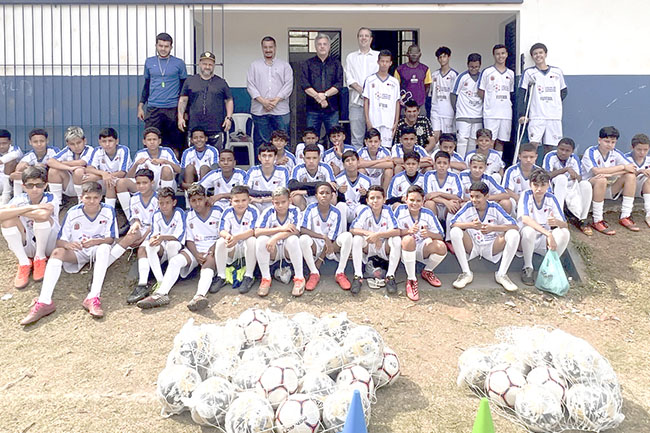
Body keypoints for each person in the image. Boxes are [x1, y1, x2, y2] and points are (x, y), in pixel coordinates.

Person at [20, 181, 117, 325]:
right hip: (77, 251)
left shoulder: (108, 210)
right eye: (88, 197)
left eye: (95, 198)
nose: (91, 201)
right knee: (57, 252)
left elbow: (110, 239)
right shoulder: (73, 212)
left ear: (101, 198)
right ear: (81, 197)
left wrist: (94, 242)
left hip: (97, 249)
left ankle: (93, 297)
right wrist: (68, 244)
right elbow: (60, 241)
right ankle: (44, 301)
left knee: (104, 248)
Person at [137, 183, 221, 311]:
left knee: (207, 267)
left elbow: (223, 232)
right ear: (189, 202)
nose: (197, 203)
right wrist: (196, 254)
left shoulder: (217, 211)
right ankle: (161, 294)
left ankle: (199, 296)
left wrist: (214, 248)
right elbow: (189, 239)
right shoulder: (189, 216)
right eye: (193, 201)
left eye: (200, 199)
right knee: (175, 261)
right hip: (195, 249)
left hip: (212, 249)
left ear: (205, 198)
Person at [449, 181, 520, 292]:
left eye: (478, 197)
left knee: (513, 234)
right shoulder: (468, 206)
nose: (474, 200)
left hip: (492, 245)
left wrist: (493, 228)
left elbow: (514, 226)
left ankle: (502, 274)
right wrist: (471, 225)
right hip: (473, 245)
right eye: (471, 196)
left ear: (487, 196)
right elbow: (453, 223)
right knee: (455, 231)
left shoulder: (495, 207)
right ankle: (466, 273)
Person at [0, 166, 59, 289]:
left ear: (45, 185)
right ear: (23, 186)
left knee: (41, 219)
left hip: (48, 243)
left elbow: (43, 215)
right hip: (27, 242)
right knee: (7, 220)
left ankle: (40, 258)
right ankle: (24, 262)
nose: (34, 189)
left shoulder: (51, 197)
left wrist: (16, 211)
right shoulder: (18, 199)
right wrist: (30, 208)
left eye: (38, 185)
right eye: (30, 185)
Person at [128, 187, 185, 304]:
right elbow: (154, 234)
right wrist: (154, 240)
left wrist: (162, 237)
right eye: (161, 203)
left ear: (174, 202)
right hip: (163, 245)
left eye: (167, 203)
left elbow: (179, 236)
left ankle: (174, 274)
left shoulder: (179, 213)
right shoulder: (156, 215)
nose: (164, 206)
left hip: (175, 247)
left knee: (172, 245)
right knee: (150, 246)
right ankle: (160, 280)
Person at [109, 169, 158, 298]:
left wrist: (143, 236)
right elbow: (136, 217)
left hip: (155, 231)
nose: (141, 186)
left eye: (145, 183)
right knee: (129, 236)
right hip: (142, 227)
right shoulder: (135, 198)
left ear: (152, 183)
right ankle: (103, 267)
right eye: (138, 183)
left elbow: (157, 222)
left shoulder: (158, 198)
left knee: (142, 250)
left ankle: (142, 284)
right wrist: (136, 223)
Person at [581, 126, 638, 234]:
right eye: (606, 141)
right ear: (599, 140)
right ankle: (597, 220)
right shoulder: (591, 151)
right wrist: (621, 168)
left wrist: (611, 173)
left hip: (607, 186)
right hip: (589, 188)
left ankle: (625, 216)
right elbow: (597, 171)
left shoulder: (615, 152)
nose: (610, 145)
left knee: (630, 175)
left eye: (613, 142)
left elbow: (632, 168)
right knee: (601, 179)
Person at [138, 32, 187, 156]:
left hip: (172, 108)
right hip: (153, 108)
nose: (163, 49)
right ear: (156, 46)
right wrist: (140, 106)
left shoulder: (179, 63)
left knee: (176, 143)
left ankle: (176, 172)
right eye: (161, 46)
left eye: (166, 46)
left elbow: (184, 88)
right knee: (151, 141)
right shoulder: (149, 62)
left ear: (171, 47)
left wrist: (184, 111)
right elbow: (147, 85)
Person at [518, 169, 570, 285]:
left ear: (548, 185)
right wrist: (548, 233)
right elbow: (525, 219)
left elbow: (565, 224)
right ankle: (528, 268)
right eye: (535, 185)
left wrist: (556, 222)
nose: (539, 189)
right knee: (528, 231)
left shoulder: (551, 198)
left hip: (544, 239)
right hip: (526, 239)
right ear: (530, 184)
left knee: (564, 233)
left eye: (543, 185)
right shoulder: (526, 195)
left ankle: (549, 268)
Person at [395, 185, 447, 301]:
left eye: (418, 200)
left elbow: (441, 235)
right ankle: (411, 279)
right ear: (406, 199)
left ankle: (427, 271)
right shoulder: (400, 210)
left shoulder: (428, 213)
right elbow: (391, 231)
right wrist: (407, 231)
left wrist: (429, 234)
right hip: (405, 248)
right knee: (409, 239)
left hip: (422, 247)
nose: (415, 203)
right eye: (412, 200)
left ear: (423, 202)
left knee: (441, 247)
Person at [299, 182, 353, 291]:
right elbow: (302, 229)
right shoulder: (310, 209)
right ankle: (314, 273)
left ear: (332, 196)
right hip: (315, 242)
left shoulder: (336, 212)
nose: (324, 195)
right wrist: (323, 236)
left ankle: (340, 273)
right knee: (303, 239)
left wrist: (320, 259)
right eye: (321, 193)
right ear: (316, 196)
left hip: (330, 246)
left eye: (327, 193)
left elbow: (331, 239)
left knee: (347, 236)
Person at [117, 127, 180, 220]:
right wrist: (136, 164)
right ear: (144, 142)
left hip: (164, 186)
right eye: (149, 140)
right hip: (145, 186)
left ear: (159, 141)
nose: (152, 142)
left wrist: (165, 161)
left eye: (154, 139)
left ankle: (165, 206)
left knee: (166, 169)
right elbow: (129, 176)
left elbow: (179, 170)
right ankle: (130, 218)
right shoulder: (140, 154)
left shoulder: (167, 151)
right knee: (121, 183)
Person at [349, 185, 401, 294]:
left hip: (383, 246)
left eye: (378, 198)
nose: (375, 201)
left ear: (384, 200)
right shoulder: (365, 211)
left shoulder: (387, 211)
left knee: (396, 240)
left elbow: (397, 231)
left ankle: (390, 276)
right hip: (369, 245)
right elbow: (352, 229)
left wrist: (378, 235)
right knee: (357, 239)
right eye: (372, 198)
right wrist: (371, 234)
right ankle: (358, 276)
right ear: (367, 200)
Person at [247, 36, 293, 156]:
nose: (268, 50)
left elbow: (288, 85)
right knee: (262, 142)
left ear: (275, 48)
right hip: (260, 111)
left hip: (281, 110)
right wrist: (263, 102)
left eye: (270, 47)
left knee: (283, 141)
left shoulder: (285, 65)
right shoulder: (254, 66)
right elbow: (250, 86)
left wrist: (275, 101)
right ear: (262, 48)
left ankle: (284, 167)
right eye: (265, 47)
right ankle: (260, 169)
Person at [255, 187, 305, 297]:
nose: (280, 205)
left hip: (287, 249)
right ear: (272, 202)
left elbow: (295, 231)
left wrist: (274, 238)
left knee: (293, 239)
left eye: (283, 202)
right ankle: (266, 279)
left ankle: (299, 278)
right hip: (273, 250)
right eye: (277, 203)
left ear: (290, 201)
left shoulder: (294, 211)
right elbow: (257, 231)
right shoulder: (268, 211)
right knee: (261, 240)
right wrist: (281, 229)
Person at [518, 43, 567, 153]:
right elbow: (522, 94)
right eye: (535, 54)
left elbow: (564, 91)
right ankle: (532, 169)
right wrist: (521, 114)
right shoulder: (529, 73)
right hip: (537, 115)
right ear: (532, 56)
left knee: (550, 147)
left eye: (540, 53)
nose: (538, 56)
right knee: (533, 145)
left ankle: (547, 169)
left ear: (545, 54)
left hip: (553, 115)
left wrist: (554, 102)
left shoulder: (557, 72)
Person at [178, 51, 233, 149]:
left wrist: (228, 118)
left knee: (216, 158)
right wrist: (180, 117)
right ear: (199, 64)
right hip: (195, 127)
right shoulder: (190, 81)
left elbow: (229, 100)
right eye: (204, 64)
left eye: (210, 64)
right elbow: (183, 100)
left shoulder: (221, 82)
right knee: (193, 158)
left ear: (214, 66)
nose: (207, 67)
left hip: (215, 128)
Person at [212, 185, 258, 294]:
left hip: (247, 247)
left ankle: (249, 276)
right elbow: (222, 230)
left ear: (249, 200)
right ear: (230, 201)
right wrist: (228, 236)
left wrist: (237, 237)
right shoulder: (227, 211)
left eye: (243, 200)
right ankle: (221, 276)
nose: (240, 204)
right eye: (236, 201)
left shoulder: (253, 211)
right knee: (220, 242)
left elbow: (253, 231)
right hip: (233, 246)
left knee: (252, 240)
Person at [543, 137, 593, 234]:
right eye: (561, 149)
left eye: (567, 151)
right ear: (557, 148)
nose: (563, 153)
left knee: (586, 184)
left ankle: (582, 219)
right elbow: (546, 175)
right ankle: (559, 217)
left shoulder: (574, 158)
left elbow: (579, 178)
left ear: (572, 151)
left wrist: (574, 175)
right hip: (554, 186)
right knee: (561, 178)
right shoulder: (550, 156)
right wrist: (565, 170)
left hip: (570, 186)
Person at [301, 34, 343, 138]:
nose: (322, 46)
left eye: (325, 44)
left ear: (329, 46)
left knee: (335, 138)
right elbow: (305, 84)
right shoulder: (307, 64)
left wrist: (325, 95)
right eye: (319, 44)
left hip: (332, 109)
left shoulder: (336, 64)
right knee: (311, 138)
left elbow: (339, 84)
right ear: (315, 46)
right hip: (312, 109)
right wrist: (318, 98)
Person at [345, 27, 379, 149]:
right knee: (356, 138)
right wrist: (361, 90)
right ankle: (358, 166)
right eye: (361, 36)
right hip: (356, 102)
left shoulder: (378, 56)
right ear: (358, 38)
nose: (363, 38)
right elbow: (348, 77)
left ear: (371, 39)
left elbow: (379, 77)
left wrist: (368, 93)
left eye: (366, 36)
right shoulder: (351, 57)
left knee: (374, 136)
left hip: (375, 104)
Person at [478, 44, 515, 155]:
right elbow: (481, 91)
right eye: (498, 54)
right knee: (489, 141)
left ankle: (497, 161)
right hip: (491, 113)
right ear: (494, 55)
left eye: (503, 53)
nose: (500, 56)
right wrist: (490, 101)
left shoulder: (511, 73)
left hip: (505, 113)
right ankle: (487, 162)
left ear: (507, 54)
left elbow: (511, 92)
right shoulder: (487, 72)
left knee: (501, 141)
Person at [86, 127, 131, 210]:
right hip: (107, 181)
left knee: (110, 181)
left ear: (116, 141)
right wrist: (104, 174)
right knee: (88, 177)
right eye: (104, 141)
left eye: (110, 141)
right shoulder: (97, 150)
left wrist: (101, 176)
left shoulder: (123, 150)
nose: (107, 144)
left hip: (122, 184)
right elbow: (89, 168)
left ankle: (129, 216)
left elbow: (122, 173)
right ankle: (86, 205)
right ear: (100, 142)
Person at [363, 50, 401, 148]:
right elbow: (366, 101)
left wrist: (396, 122)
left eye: (387, 61)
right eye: (382, 61)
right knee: (373, 147)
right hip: (374, 121)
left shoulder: (394, 82)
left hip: (388, 122)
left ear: (390, 63)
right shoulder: (370, 80)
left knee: (386, 149)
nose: (384, 64)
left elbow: (397, 102)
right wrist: (368, 121)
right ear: (378, 62)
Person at [47, 126, 94, 204]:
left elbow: (81, 162)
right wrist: (69, 167)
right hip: (71, 184)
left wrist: (61, 163)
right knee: (53, 170)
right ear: (67, 144)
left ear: (84, 141)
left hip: (87, 186)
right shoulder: (67, 150)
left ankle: (81, 201)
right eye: (72, 144)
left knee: (79, 171)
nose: (76, 146)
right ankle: (56, 202)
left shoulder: (90, 150)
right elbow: (50, 161)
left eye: (79, 143)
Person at [11, 129, 59, 197]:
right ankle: (16, 199)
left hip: (53, 179)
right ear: (30, 142)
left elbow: (61, 165)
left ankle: (56, 199)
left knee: (54, 171)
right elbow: (17, 171)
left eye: (42, 141)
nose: (39, 144)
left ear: (47, 141)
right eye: (35, 142)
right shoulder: (29, 156)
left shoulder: (54, 151)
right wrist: (32, 167)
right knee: (20, 170)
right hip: (37, 180)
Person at [451, 53, 483, 157]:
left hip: (478, 115)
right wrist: (457, 110)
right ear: (467, 65)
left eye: (476, 67)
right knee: (462, 140)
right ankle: (460, 164)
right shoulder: (462, 77)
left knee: (473, 141)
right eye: (471, 67)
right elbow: (453, 94)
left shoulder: (483, 77)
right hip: (463, 115)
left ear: (480, 65)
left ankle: (469, 163)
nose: (473, 69)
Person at [423, 151, 463, 227]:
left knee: (455, 203)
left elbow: (458, 197)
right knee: (429, 203)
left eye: (445, 163)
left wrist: (439, 193)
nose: (442, 166)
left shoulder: (454, 176)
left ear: (449, 165)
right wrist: (445, 201)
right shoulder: (428, 175)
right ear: (434, 164)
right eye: (439, 163)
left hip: (448, 208)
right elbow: (427, 196)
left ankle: (448, 236)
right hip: (436, 207)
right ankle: (434, 230)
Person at [291, 144, 336, 210]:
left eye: (314, 158)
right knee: (295, 196)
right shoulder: (297, 168)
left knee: (333, 196)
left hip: (321, 197)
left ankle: (326, 215)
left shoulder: (326, 167)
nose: (311, 161)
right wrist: (320, 184)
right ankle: (302, 217)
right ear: (303, 159)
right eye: (308, 158)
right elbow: (292, 185)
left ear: (319, 158)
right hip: (304, 199)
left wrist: (306, 191)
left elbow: (332, 187)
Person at [246, 144, 290, 212]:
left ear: (275, 157)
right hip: (255, 204)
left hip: (276, 204)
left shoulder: (283, 171)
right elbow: (246, 190)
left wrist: (261, 200)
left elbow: (284, 194)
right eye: (264, 156)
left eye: (270, 156)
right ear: (259, 157)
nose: (267, 159)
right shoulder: (253, 171)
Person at [430, 46, 458, 146]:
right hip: (436, 109)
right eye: (440, 57)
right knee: (435, 135)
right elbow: (432, 92)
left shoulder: (454, 75)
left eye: (444, 56)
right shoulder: (434, 75)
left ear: (449, 57)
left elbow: (455, 95)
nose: (442, 59)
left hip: (448, 111)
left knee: (447, 137)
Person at [335, 150, 371, 225]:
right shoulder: (338, 179)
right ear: (344, 164)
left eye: (353, 160)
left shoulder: (366, 180)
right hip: (346, 209)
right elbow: (335, 201)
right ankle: (342, 234)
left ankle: (359, 232)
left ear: (358, 162)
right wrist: (340, 193)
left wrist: (364, 195)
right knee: (340, 205)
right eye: (347, 160)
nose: (350, 162)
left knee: (364, 208)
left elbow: (367, 202)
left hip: (358, 208)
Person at [394, 45, 432, 114]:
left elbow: (427, 86)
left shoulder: (425, 69)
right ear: (407, 54)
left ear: (420, 54)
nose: (414, 55)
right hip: (404, 106)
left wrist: (421, 98)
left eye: (416, 53)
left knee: (421, 123)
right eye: (411, 53)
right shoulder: (400, 69)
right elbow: (395, 87)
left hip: (420, 105)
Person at [625, 133, 650, 227]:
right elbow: (620, 177)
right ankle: (626, 214)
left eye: (645, 150)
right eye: (639, 149)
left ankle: (649, 214)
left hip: (643, 189)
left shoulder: (648, 160)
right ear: (632, 147)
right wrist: (639, 171)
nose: (642, 153)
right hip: (626, 188)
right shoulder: (625, 158)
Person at [0, 129, 23, 204]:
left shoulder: (15, 149)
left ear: (10, 142)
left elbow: (14, 155)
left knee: (10, 162)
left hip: (11, 182)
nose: (1, 146)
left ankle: (6, 197)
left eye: (4, 143)